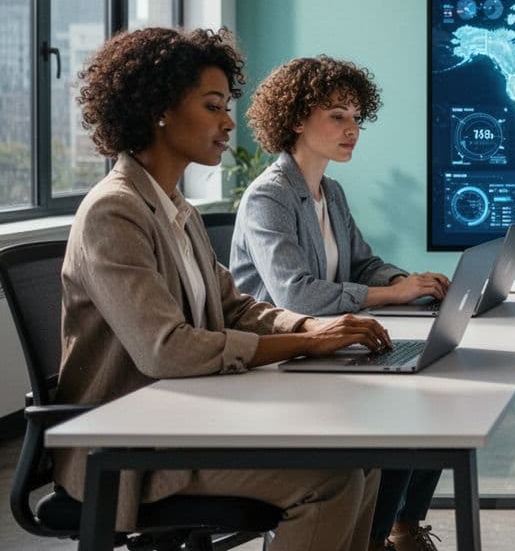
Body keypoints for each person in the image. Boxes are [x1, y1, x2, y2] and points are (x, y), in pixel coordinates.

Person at [56, 27, 389, 551]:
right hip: (131, 448)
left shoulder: (176, 208)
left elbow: (233, 305)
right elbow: (166, 347)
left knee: (368, 458)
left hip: (185, 418)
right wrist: (305, 342)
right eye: (213, 107)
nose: (229, 122)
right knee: (333, 480)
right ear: (159, 110)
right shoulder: (113, 210)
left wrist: (310, 325)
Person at [231, 56, 448, 551]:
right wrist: (393, 294)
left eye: (356, 117)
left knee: (434, 406)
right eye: (337, 116)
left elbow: (363, 264)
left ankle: (401, 532)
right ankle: (374, 539)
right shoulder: (269, 197)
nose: (352, 129)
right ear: (296, 120)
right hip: (281, 358)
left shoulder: (331, 191)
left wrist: (408, 280)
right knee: (402, 418)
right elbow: (296, 293)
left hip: (331, 350)